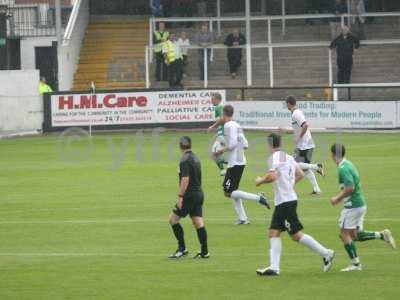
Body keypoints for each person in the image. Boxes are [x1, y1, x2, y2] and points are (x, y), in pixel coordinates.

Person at [255, 133, 335, 276]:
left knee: (296, 235)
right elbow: (301, 174)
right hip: (286, 201)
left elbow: (272, 176)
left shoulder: (274, 158)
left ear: (269, 144)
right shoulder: (288, 157)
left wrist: (260, 181)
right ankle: (274, 267)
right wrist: (289, 185)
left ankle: (326, 253)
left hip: (285, 202)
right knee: (274, 232)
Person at [329, 143, 396, 272]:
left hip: (353, 206)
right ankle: (382, 235)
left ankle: (355, 264)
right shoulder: (349, 164)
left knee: (343, 234)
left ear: (333, 155)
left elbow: (350, 187)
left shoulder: (343, 168)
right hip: (360, 204)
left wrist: (337, 199)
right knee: (355, 235)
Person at [214, 105, 270, 225]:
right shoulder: (237, 125)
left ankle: (259, 198)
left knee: (228, 192)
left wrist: (221, 150)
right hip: (240, 161)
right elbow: (246, 144)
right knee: (233, 191)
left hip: (234, 163)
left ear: (224, 115)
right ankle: (243, 219)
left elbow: (232, 144)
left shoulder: (228, 126)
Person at [168, 136, 210, 259]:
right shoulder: (196, 158)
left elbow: (185, 179)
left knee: (173, 220)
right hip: (199, 194)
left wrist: (181, 196)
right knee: (198, 222)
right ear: (190, 145)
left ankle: (182, 248)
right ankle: (204, 251)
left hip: (189, 195)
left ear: (180, 145)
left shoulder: (184, 160)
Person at [285, 96, 325, 195]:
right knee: (305, 169)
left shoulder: (296, 113)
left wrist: (298, 137)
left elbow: (305, 125)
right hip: (305, 145)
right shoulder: (295, 113)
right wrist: (286, 131)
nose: (286, 106)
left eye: (286, 104)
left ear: (289, 103)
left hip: (305, 145)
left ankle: (316, 167)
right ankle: (317, 189)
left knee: (294, 164)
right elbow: (299, 128)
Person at [207, 93, 226, 176]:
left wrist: (212, 126)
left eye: (213, 99)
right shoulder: (220, 107)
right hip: (222, 134)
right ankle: (223, 170)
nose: (211, 101)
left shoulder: (219, 107)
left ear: (217, 99)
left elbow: (222, 118)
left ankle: (233, 162)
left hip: (223, 135)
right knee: (216, 154)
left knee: (214, 154)